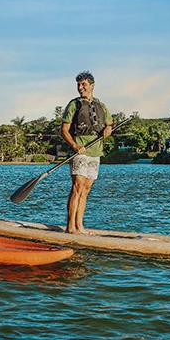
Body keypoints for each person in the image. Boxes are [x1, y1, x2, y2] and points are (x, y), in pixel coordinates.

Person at [60, 71, 113, 234]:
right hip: (80, 151)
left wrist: (108, 128)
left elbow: (109, 123)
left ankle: (80, 226)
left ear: (92, 85)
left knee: (86, 189)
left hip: (95, 152)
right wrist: (75, 146)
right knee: (77, 187)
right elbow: (64, 130)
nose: (80, 87)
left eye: (84, 84)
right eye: (78, 85)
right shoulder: (74, 105)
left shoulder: (101, 105)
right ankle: (70, 227)